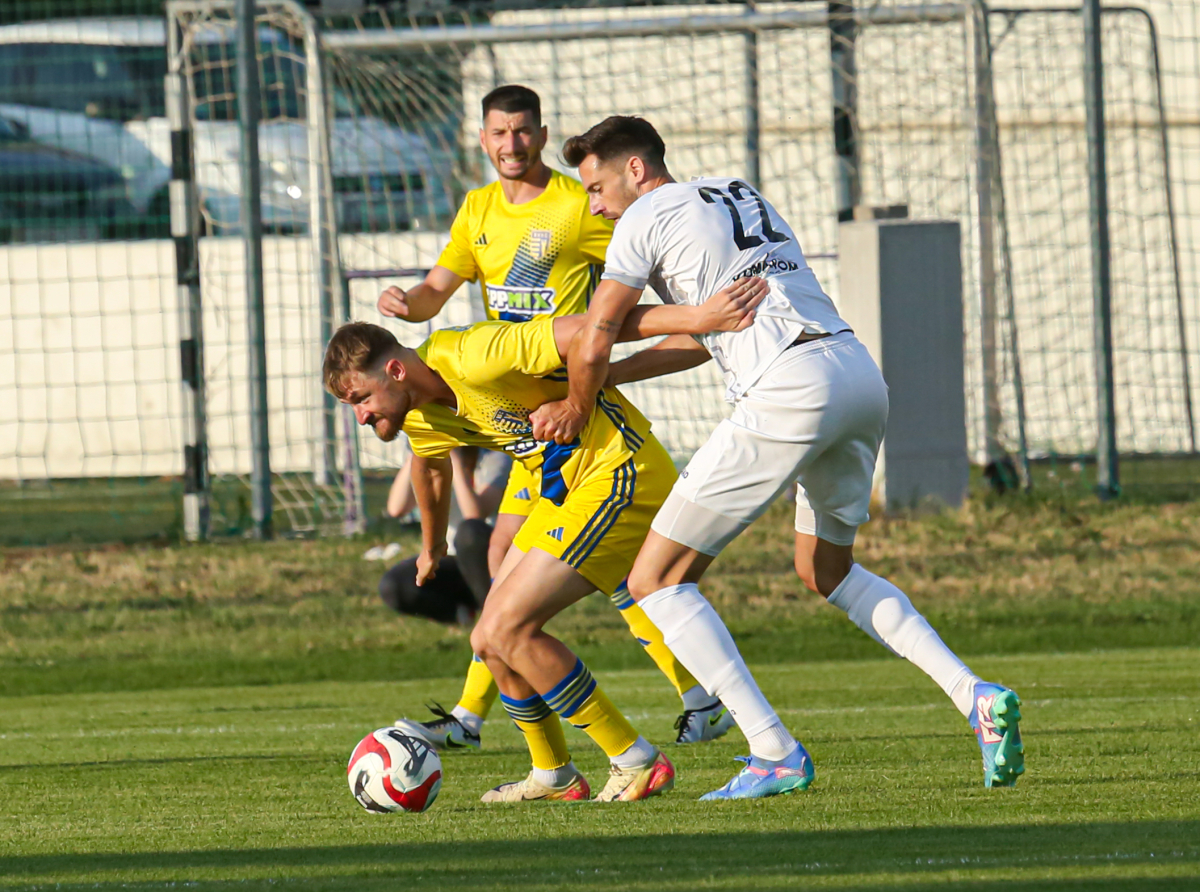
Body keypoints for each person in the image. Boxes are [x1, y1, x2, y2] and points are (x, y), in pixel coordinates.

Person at [530, 115, 1025, 799]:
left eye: (596, 187)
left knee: (655, 581)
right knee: (824, 567)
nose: (595, 205)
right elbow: (706, 336)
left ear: (636, 170)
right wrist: (616, 373)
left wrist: (578, 404)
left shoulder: (644, 218)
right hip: (854, 375)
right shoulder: (740, 193)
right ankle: (975, 695)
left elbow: (596, 331)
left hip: (787, 389)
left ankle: (773, 751)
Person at [378, 84, 734, 750]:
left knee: (554, 572)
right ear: (481, 141)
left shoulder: (581, 205)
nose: (510, 144)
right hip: (524, 414)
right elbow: (435, 292)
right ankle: (490, 718)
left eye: (521, 131)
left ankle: (498, 721)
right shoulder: (478, 210)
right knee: (509, 561)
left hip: (570, 410)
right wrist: (409, 304)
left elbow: (627, 279)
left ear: (541, 135)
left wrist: (691, 315)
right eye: (498, 133)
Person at [322, 287, 764, 801]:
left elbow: (594, 328)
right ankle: (553, 773)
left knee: (510, 626)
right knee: (488, 640)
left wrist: (699, 317)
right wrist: (431, 546)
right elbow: (430, 466)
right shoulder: (419, 412)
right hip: (566, 491)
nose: (360, 416)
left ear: (395, 371)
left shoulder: (476, 354)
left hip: (618, 469)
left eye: (361, 399)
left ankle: (634, 759)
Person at [377, 447, 505, 627]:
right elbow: (396, 509)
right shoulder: (430, 454)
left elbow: (475, 514)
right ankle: (460, 614)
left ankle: (494, 622)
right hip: (451, 558)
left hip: (489, 557)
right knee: (394, 586)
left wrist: (454, 460)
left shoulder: (495, 455)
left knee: (469, 532)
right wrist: (416, 452)